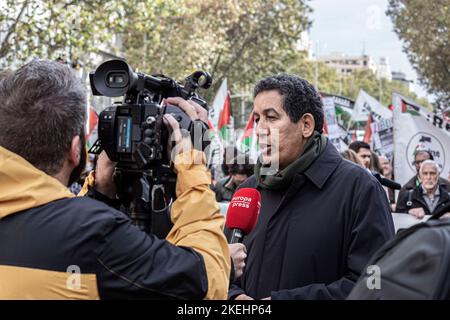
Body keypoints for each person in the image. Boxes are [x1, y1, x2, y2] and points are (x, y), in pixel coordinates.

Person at [0, 59, 230, 299]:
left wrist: (99, 192)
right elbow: (208, 280)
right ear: (75, 150)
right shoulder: (95, 236)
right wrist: (191, 165)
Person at [229, 74, 394, 300]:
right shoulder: (248, 192)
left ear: (306, 125)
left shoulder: (360, 189)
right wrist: (235, 298)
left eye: (271, 117)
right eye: (257, 119)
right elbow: (222, 269)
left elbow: (375, 284)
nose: (259, 129)